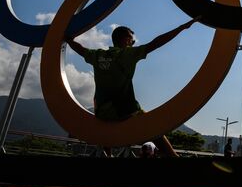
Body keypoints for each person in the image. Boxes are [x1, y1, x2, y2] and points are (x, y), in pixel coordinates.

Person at [67, 17, 201, 157]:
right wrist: (181, 27)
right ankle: (174, 158)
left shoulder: (97, 55)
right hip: (124, 112)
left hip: (101, 112)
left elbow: (80, 49)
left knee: (106, 134)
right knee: (155, 128)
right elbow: (156, 43)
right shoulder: (128, 54)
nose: (133, 43)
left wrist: (68, 40)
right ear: (126, 41)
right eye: (132, 41)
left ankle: (107, 154)